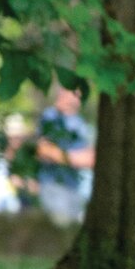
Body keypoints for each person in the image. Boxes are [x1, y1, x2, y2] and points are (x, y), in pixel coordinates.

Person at [36, 84, 94, 225]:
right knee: (60, 228)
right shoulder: (51, 117)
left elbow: (91, 158)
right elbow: (44, 150)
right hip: (55, 186)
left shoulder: (80, 122)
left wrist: (64, 156)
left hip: (75, 187)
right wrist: (73, 158)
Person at [0, 113, 33, 213]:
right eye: (13, 137)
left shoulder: (26, 159)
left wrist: (23, 184)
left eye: (19, 137)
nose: (16, 141)